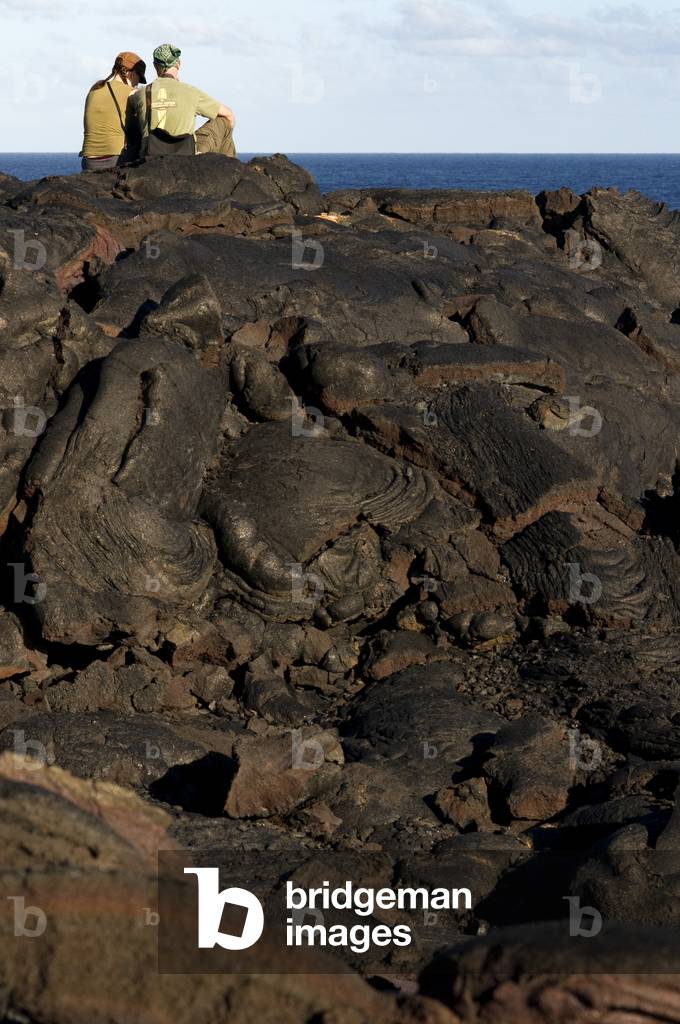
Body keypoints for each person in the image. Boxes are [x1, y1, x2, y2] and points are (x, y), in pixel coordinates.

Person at [126, 43, 236, 161]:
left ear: (155, 66)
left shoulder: (140, 94)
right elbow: (229, 115)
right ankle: (230, 167)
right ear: (178, 64)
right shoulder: (191, 92)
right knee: (223, 121)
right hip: (185, 154)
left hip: (150, 154)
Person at [81, 52, 147, 171]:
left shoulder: (94, 90)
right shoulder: (131, 93)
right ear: (130, 72)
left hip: (88, 160)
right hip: (116, 159)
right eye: (139, 77)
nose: (138, 83)